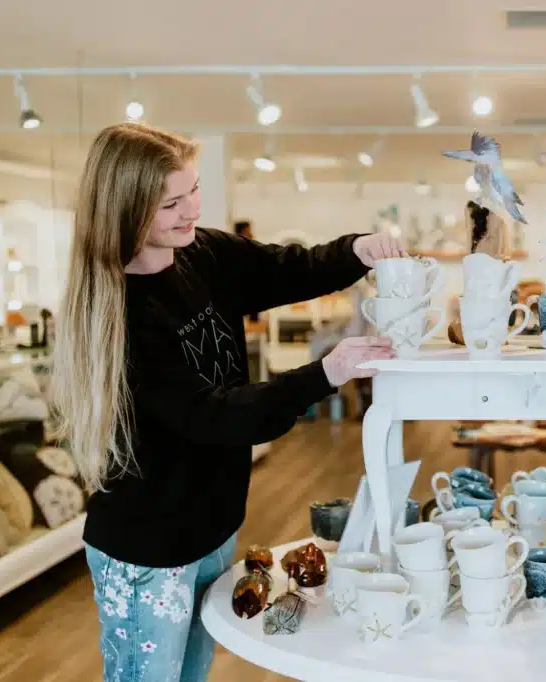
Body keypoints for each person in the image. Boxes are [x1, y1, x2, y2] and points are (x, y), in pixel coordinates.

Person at [49, 121, 403, 682]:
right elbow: (213, 416)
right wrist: (325, 373)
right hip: (149, 551)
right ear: (127, 210)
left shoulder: (203, 253)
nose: (191, 208)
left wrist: (356, 251)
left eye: (192, 190)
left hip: (212, 529)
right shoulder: (123, 318)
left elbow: (289, 267)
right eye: (172, 202)